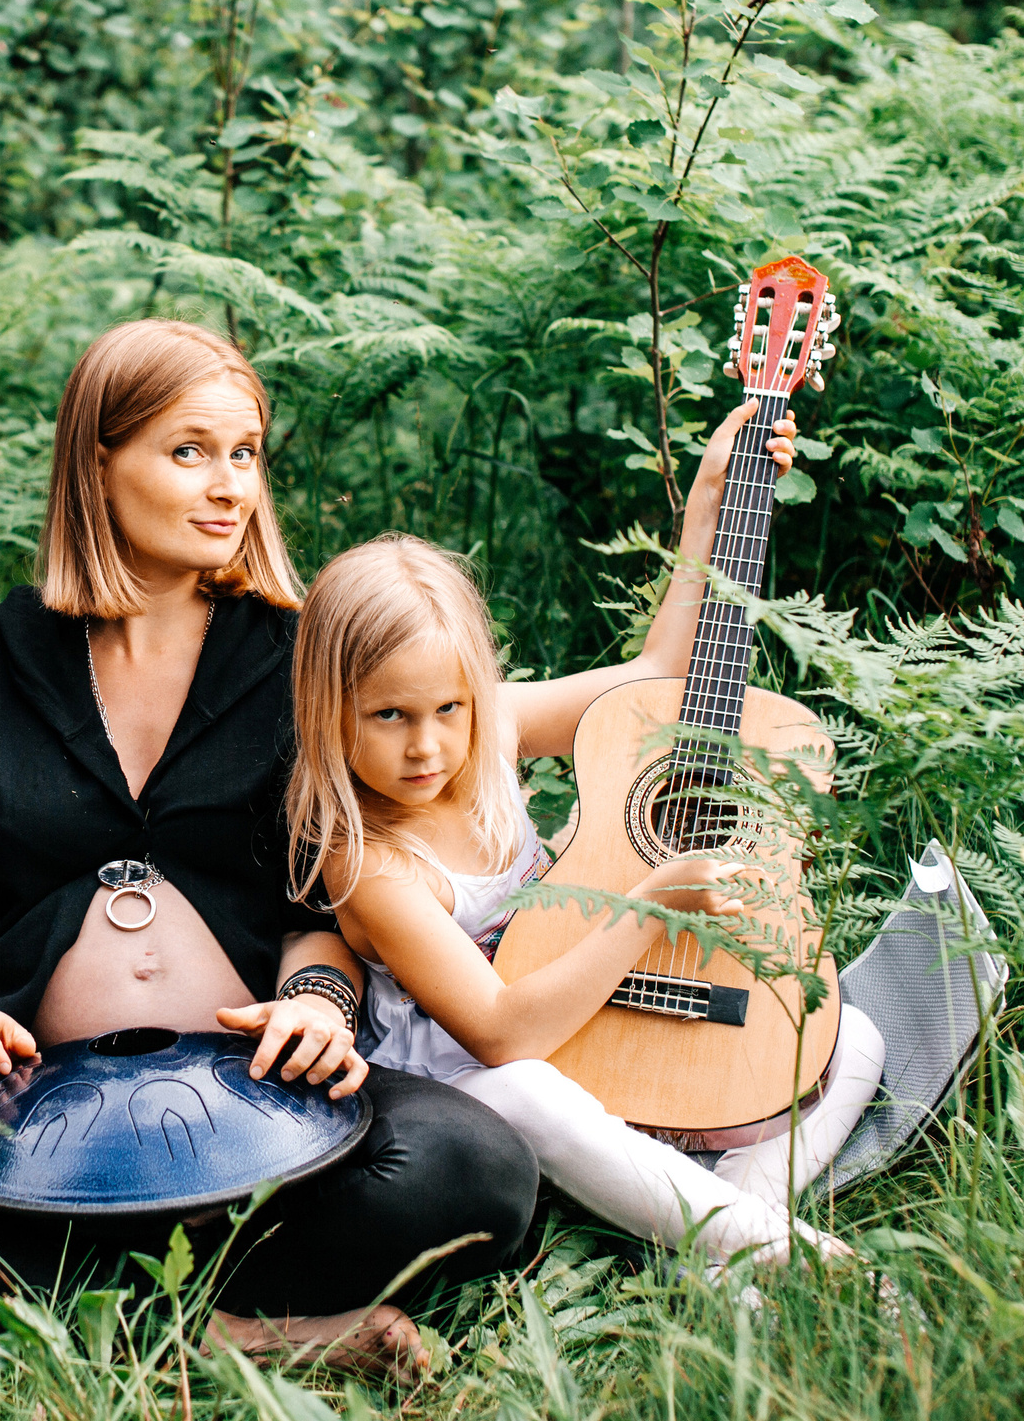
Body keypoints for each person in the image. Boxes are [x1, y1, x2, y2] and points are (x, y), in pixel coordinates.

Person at [0, 321, 538, 1376]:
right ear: (98, 459)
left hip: (270, 1104)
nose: (230, 486)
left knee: (476, 1163)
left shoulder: (301, 663)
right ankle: (236, 1334)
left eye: (245, 453)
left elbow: (321, 901)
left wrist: (318, 1006)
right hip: (29, 1124)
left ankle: (100, 1317)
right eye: (189, 451)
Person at [283, 410, 887, 1267]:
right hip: (476, 1080)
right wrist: (650, 907)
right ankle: (776, 1248)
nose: (427, 746)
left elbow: (654, 676)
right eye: (390, 716)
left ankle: (721, 1219)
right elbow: (500, 1033)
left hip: (582, 1014)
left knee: (851, 1040)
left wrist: (708, 504)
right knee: (530, 1093)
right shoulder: (371, 861)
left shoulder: (490, 730)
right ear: (328, 709)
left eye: (449, 708)